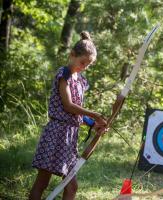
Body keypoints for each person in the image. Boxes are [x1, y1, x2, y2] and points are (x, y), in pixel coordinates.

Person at [29, 31, 107, 200]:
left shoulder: (80, 80)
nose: (85, 67)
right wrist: (95, 114)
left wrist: (94, 124)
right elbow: (69, 106)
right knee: (42, 182)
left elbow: (77, 112)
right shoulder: (63, 74)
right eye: (83, 62)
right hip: (56, 133)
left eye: (88, 65)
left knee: (71, 186)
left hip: (69, 137)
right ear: (72, 55)